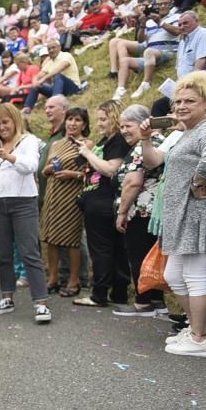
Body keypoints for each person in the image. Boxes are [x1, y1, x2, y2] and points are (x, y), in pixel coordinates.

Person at [139, 71, 206, 358]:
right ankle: (196, 329)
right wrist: (146, 139)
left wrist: (197, 182)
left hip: (201, 215)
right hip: (183, 217)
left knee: (194, 276)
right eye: (178, 101)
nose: (181, 106)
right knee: (173, 274)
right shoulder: (187, 132)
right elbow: (155, 161)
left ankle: (199, 338)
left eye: (189, 101)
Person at [0, 103, 52, 322]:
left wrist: (8, 156)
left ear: (15, 120)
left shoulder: (28, 140)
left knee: (29, 252)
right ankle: (6, 297)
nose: (2, 127)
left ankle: (41, 303)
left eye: (6, 122)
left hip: (23, 202)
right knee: (3, 254)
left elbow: (31, 166)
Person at [73, 101, 133, 308]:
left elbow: (110, 169)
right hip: (97, 200)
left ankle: (100, 294)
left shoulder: (118, 141)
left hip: (105, 201)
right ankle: (117, 293)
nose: (99, 124)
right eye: (98, 119)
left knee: (104, 250)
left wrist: (88, 154)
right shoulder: (106, 141)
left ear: (115, 118)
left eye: (103, 119)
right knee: (112, 249)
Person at [113, 104, 168, 316]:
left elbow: (133, 183)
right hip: (156, 211)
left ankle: (143, 302)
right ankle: (157, 301)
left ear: (143, 123)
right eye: (121, 127)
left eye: (128, 125)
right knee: (153, 255)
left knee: (139, 256)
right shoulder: (161, 141)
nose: (123, 130)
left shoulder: (143, 146)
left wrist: (122, 212)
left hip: (142, 211)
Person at [40, 107, 92, 297]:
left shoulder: (86, 144)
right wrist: (48, 170)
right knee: (51, 239)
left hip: (72, 197)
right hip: (53, 196)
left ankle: (74, 279)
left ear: (84, 124)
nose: (72, 123)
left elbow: (90, 173)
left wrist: (73, 174)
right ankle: (53, 278)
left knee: (71, 240)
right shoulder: (56, 143)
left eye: (77, 120)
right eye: (70, 119)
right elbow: (45, 169)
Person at [110, 0, 179, 100]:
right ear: (155, 6)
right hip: (150, 54)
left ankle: (146, 83)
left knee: (149, 51)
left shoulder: (177, 16)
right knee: (124, 61)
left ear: (171, 5)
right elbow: (141, 40)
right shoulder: (150, 21)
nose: (162, 6)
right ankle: (120, 90)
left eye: (166, 3)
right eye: (160, 4)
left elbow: (177, 32)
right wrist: (142, 24)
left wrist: (160, 22)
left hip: (168, 51)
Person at [22, 40, 82, 114]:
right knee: (38, 85)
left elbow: (61, 68)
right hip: (58, 90)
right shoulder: (50, 62)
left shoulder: (66, 55)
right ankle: (27, 108)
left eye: (53, 47)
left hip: (73, 88)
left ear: (59, 47)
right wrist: (35, 82)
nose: (51, 50)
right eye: (49, 49)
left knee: (58, 76)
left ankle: (54, 103)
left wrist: (43, 79)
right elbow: (39, 75)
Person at [175, 11, 206, 79]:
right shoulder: (182, 42)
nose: (182, 27)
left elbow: (200, 63)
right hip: (189, 83)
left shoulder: (204, 34)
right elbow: (180, 66)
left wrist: (190, 83)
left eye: (185, 23)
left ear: (196, 21)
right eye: (179, 25)